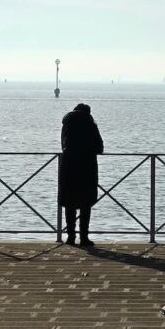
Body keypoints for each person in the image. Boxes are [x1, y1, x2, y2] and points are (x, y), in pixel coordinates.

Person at [59, 103, 104, 247]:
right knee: (86, 202)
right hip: (86, 166)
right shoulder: (90, 124)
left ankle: (70, 236)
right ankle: (84, 236)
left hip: (68, 166)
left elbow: (63, 145)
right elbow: (100, 147)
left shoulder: (66, 124)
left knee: (69, 202)